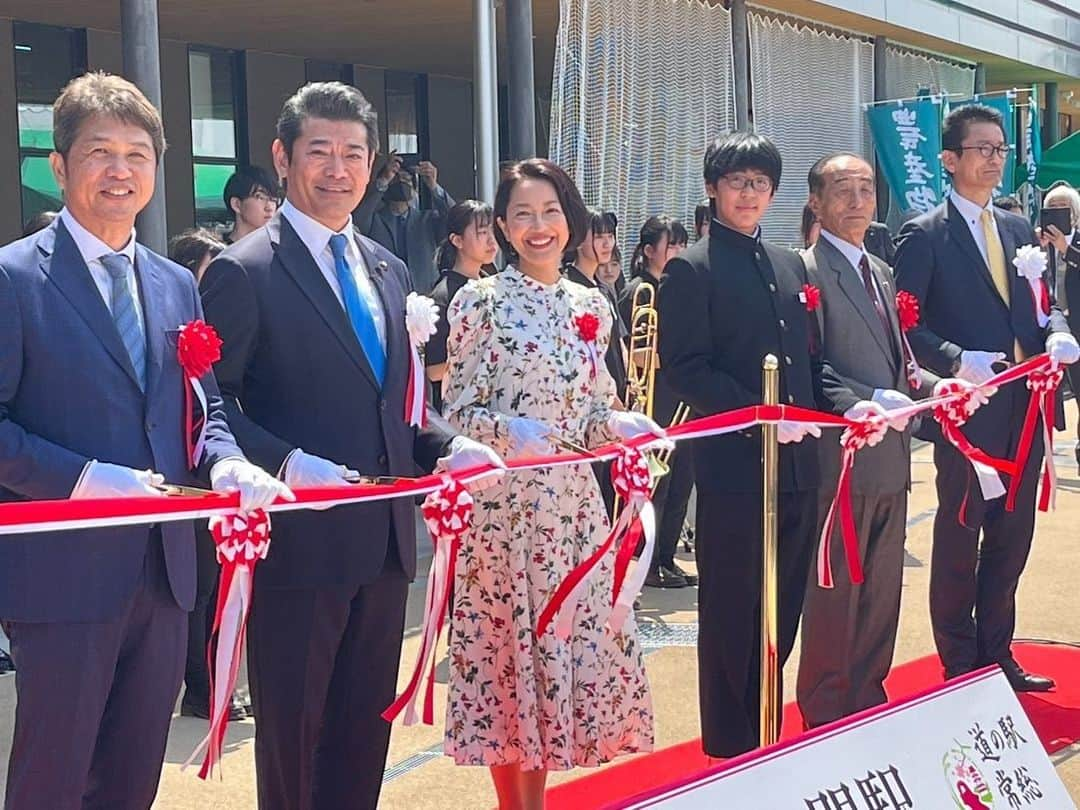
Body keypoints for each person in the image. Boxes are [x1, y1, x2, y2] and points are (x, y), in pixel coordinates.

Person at [198, 81, 502, 810]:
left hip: (386, 547)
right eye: (320, 152)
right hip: (299, 544)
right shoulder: (245, 270)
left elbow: (398, 404)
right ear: (282, 157)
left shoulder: (388, 268)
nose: (338, 169)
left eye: (354, 154)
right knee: (294, 742)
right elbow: (209, 403)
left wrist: (448, 446)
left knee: (363, 738)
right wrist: (284, 462)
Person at [0, 71, 288, 810]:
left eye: (137, 154)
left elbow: (202, 407)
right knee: (53, 779)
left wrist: (226, 460)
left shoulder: (175, 284)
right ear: (59, 167)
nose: (120, 170)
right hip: (62, 578)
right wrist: (88, 480)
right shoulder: (12, 279)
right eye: (100, 152)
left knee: (133, 778)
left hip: (164, 579)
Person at [442, 157, 658, 810]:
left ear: (571, 219)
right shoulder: (478, 301)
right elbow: (456, 414)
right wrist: (508, 433)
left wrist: (617, 423)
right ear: (502, 228)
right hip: (504, 518)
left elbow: (592, 412)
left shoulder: (591, 304)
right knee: (511, 666)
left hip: (572, 514)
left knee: (564, 661)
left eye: (551, 212)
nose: (539, 227)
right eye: (522, 215)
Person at [894, 104, 1079, 693]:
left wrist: (1055, 329)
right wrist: (954, 358)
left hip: (1024, 405)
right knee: (960, 528)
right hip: (967, 410)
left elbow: (1039, 302)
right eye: (982, 148)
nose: (994, 159)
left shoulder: (1019, 228)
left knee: (1012, 532)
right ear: (950, 159)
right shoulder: (924, 234)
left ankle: (998, 651)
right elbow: (907, 325)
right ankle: (959, 659)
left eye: (1000, 149)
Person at [658, 131, 823, 757]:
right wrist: (759, 413)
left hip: (799, 463)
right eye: (736, 181)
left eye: (759, 182)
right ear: (712, 189)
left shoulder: (788, 263)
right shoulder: (691, 266)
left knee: (784, 606)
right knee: (733, 608)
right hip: (735, 468)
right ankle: (730, 746)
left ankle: (769, 732)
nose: (749, 193)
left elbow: (809, 360)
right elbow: (685, 367)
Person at [796, 153, 921, 728]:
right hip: (842, 456)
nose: (856, 200)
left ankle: (869, 695)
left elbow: (900, 358)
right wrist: (859, 403)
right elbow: (813, 364)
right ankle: (824, 707)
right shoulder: (805, 271)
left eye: (866, 188)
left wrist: (933, 383)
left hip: (892, 454)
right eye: (841, 189)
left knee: (882, 585)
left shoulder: (883, 269)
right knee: (836, 589)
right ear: (816, 202)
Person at [166, 227, 248, 723]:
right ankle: (200, 685)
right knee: (198, 590)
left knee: (220, 584)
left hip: (216, 470)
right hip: (181, 480)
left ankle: (219, 680)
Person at [620, 216, 695, 589]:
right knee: (656, 486)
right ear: (649, 251)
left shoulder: (680, 289)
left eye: (683, 244)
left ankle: (666, 556)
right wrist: (678, 356)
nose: (679, 251)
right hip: (654, 401)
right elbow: (631, 353)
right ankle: (645, 563)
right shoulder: (638, 291)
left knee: (682, 481)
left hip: (682, 398)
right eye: (672, 245)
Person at [427, 200, 499, 411]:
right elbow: (433, 370)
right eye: (482, 233)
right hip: (463, 409)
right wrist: (485, 362)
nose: (491, 241)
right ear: (457, 240)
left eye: (493, 232)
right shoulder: (444, 296)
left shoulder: (497, 283)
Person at [355, 152, 455, 294]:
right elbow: (357, 219)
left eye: (407, 180)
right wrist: (383, 181)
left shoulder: (427, 220)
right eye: (396, 180)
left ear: (414, 190)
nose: (402, 184)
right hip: (386, 295)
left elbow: (456, 220)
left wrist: (433, 186)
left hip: (425, 299)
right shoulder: (374, 220)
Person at [564, 207, 628, 403]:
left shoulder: (605, 289)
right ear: (580, 240)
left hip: (619, 392)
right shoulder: (569, 286)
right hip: (592, 398)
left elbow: (618, 342)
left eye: (610, 235)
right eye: (600, 236)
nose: (607, 243)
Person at [1038, 183, 1080, 469]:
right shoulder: (1036, 245)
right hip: (1046, 331)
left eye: (1063, 209)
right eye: (1051, 209)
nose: (1057, 214)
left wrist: (1067, 250)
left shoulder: (1075, 244)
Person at [222, 165, 280, 244]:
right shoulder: (216, 253)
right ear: (237, 205)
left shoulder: (278, 250)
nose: (269, 207)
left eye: (273, 199)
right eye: (260, 197)